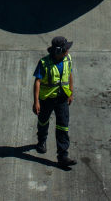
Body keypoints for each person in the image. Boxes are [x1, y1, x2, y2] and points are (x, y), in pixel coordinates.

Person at [33, 36, 76, 168]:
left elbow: (69, 75)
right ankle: (41, 140)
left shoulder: (68, 59)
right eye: (65, 49)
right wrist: (36, 102)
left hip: (62, 98)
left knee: (63, 126)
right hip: (47, 99)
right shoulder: (44, 63)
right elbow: (38, 82)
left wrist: (70, 93)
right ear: (58, 51)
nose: (68, 52)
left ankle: (63, 156)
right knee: (43, 121)